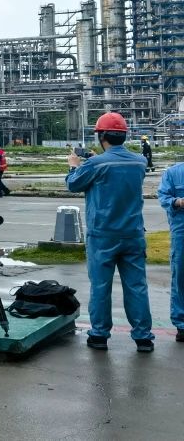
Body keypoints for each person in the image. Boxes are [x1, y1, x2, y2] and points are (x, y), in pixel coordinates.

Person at [67, 111, 154, 351]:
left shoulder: (95, 164)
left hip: (103, 234)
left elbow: (73, 185)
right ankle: (143, 338)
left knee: (101, 287)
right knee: (137, 286)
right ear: (124, 135)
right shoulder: (139, 162)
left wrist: (74, 166)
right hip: (133, 233)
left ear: (101, 136)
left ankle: (99, 335)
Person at [157, 160, 184, 343]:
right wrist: (178, 201)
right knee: (180, 276)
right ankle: (182, 324)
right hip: (181, 231)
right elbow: (163, 197)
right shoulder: (173, 173)